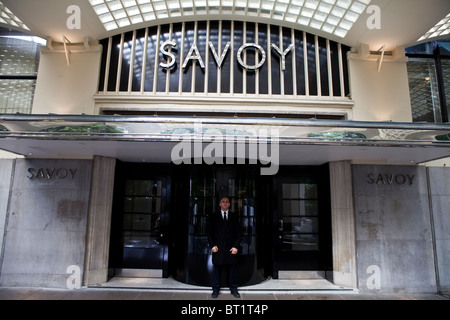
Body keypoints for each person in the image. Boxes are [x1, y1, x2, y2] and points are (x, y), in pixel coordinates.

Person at [207, 196, 242, 298]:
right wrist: (212, 245)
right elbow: (209, 233)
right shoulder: (213, 216)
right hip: (218, 248)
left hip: (232, 248)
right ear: (220, 204)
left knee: (232, 270)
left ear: (229, 204)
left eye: (227, 202)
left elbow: (239, 233)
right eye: (223, 202)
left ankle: (234, 289)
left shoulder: (234, 216)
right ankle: (215, 290)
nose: (225, 203)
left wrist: (236, 246)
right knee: (217, 269)